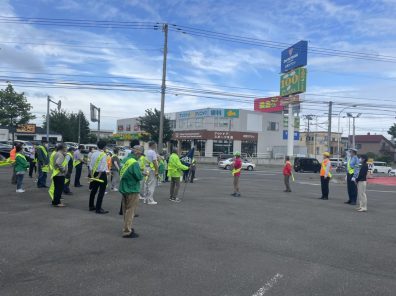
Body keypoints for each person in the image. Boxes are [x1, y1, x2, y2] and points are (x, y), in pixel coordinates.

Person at [119, 145, 145, 238]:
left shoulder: (125, 160)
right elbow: (138, 176)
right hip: (132, 188)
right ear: (138, 152)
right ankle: (127, 231)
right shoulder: (134, 163)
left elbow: (122, 172)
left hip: (124, 187)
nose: (141, 156)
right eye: (141, 154)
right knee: (130, 210)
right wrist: (143, 174)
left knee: (126, 209)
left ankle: (126, 226)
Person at [89, 140, 109, 214]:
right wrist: (99, 176)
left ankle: (91, 206)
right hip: (101, 175)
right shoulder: (103, 154)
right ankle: (98, 208)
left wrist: (92, 175)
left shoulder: (93, 153)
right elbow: (102, 166)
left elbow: (90, 165)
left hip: (94, 173)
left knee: (93, 190)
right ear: (104, 147)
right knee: (101, 192)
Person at [143, 141, 159, 205]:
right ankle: (150, 200)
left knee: (146, 184)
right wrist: (157, 170)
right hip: (151, 169)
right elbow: (155, 162)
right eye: (155, 145)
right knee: (151, 184)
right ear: (153, 145)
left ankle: (145, 199)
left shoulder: (145, 151)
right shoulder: (153, 152)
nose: (156, 146)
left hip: (146, 168)